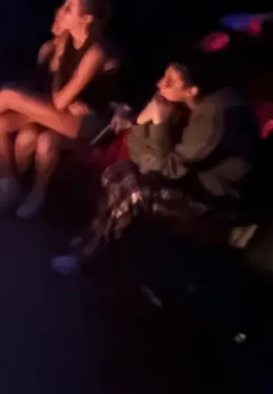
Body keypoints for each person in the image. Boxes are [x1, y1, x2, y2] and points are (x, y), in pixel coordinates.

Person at [52, 56, 258, 274]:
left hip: (210, 200)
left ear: (192, 91)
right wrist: (142, 121)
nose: (160, 84)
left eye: (170, 81)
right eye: (164, 76)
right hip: (184, 179)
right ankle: (93, 236)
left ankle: (92, 256)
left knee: (135, 192)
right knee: (118, 172)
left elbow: (167, 168)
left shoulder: (214, 119)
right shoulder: (178, 101)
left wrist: (159, 124)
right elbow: (141, 155)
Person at [0, 0, 114, 219]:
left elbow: (60, 100)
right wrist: (59, 57)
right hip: (59, 112)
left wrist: (60, 93)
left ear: (86, 19)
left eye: (69, 8)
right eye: (63, 5)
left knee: (10, 95)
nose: (61, 11)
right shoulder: (64, 43)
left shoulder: (95, 52)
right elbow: (55, 93)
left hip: (86, 122)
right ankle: (8, 186)